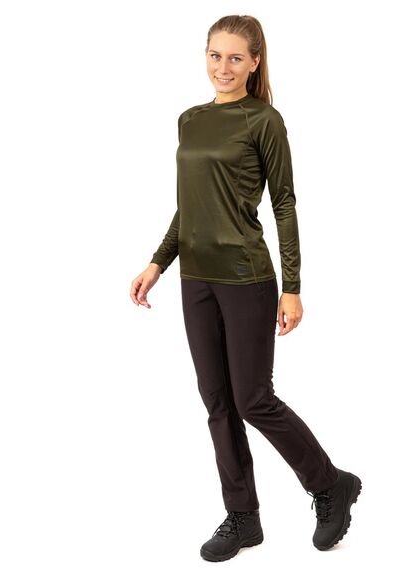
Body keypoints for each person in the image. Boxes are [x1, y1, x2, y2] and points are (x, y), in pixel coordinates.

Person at [129, 14, 362, 562]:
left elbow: (284, 203)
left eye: (236, 58)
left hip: (247, 276)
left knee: (253, 399)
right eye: (215, 55)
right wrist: (159, 262)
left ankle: (330, 484)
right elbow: (191, 206)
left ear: (255, 62)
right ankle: (243, 517)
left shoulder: (264, 120)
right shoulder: (190, 120)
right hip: (196, 279)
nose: (224, 67)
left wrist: (292, 286)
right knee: (217, 402)